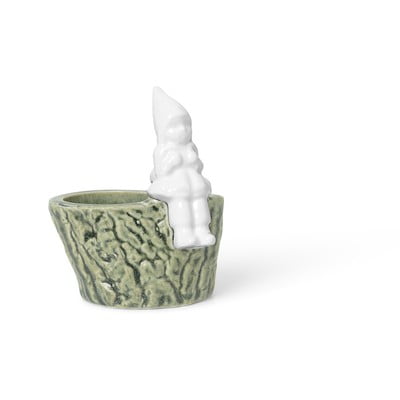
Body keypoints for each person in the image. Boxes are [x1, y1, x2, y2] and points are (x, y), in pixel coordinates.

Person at [148, 87, 216, 248]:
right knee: (181, 205)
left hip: (194, 185)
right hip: (176, 187)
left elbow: (198, 167)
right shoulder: (163, 150)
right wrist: (171, 162)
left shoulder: (190, 147)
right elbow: (159, 172)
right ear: (164, 131)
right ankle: (183, 233)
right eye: (175, 126)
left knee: (199, 203)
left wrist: (195, 162)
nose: (183, 130)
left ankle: (202, 230)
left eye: (186, 125)